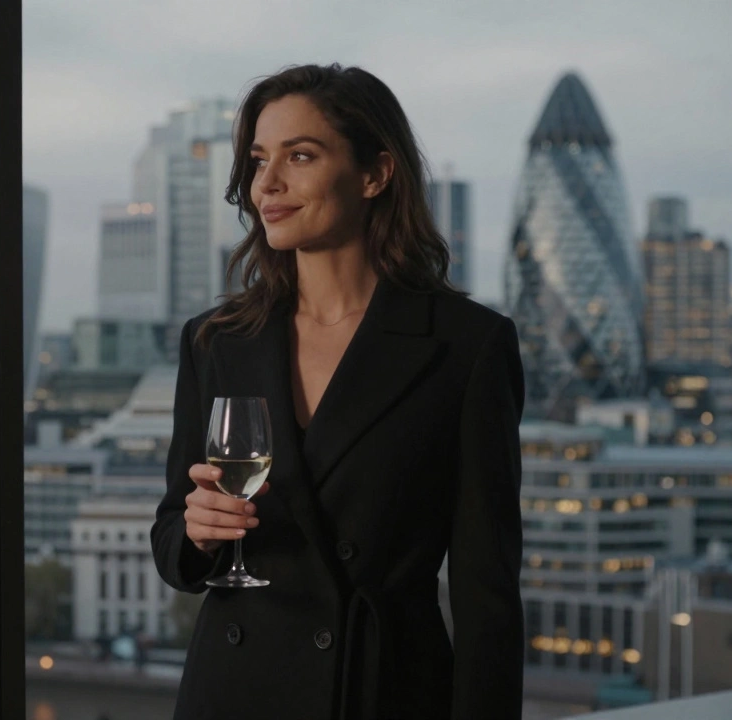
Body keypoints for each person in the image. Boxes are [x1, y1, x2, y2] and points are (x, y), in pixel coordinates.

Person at [150, 63, 524, 720]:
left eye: (300, 156)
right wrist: (198, 534)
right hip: (233, 691)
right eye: (259, 159)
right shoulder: (217, 341)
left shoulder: (467, 346)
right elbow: (173, 545)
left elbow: (485, 592)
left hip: (382, 692)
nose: (267, 183)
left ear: (376, 173)